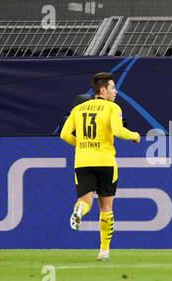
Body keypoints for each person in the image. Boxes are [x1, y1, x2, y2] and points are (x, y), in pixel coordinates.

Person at [60, 72, 140, 261]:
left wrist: (81, 144)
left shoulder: (78, 109)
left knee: (85, 201)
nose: (115, 92)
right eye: (112, 87)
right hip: (105, 161)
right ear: (102, 89)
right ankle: (104, 251)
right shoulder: (112, 108)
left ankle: (79, 211)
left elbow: (64, 134)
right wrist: (135, 135)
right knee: (106, 207)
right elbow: (119, 131)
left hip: (83, 161)